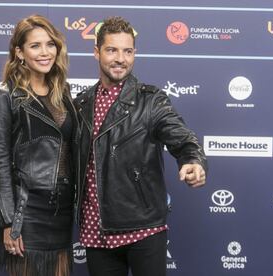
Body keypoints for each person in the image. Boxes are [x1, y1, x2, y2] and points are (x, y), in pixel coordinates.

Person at [74, 16, 207, 276]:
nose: (120, 59)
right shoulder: (82, 103)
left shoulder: (151, 100)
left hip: (143, 226)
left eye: (128, 51)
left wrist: (193, 160)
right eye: (112, 50)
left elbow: (181, 137)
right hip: (95, 228)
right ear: (96, 52)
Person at [0, 14, 78, 276]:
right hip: (26, 214)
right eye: (35, 46)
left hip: (60, 212)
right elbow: (1, 164)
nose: (45, 52)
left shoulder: (64, 94)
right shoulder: (5, 97)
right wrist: (8, 223)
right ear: (20, 52)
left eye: (50, 44)